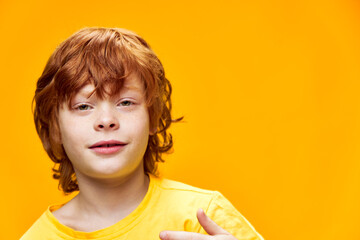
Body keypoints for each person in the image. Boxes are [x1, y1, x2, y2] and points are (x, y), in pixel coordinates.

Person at [20, 27, 264, 240]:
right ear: (55, 129)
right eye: (83, 106)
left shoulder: (205, 218)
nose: (106, 121)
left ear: (153, 117)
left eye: (125, 102)